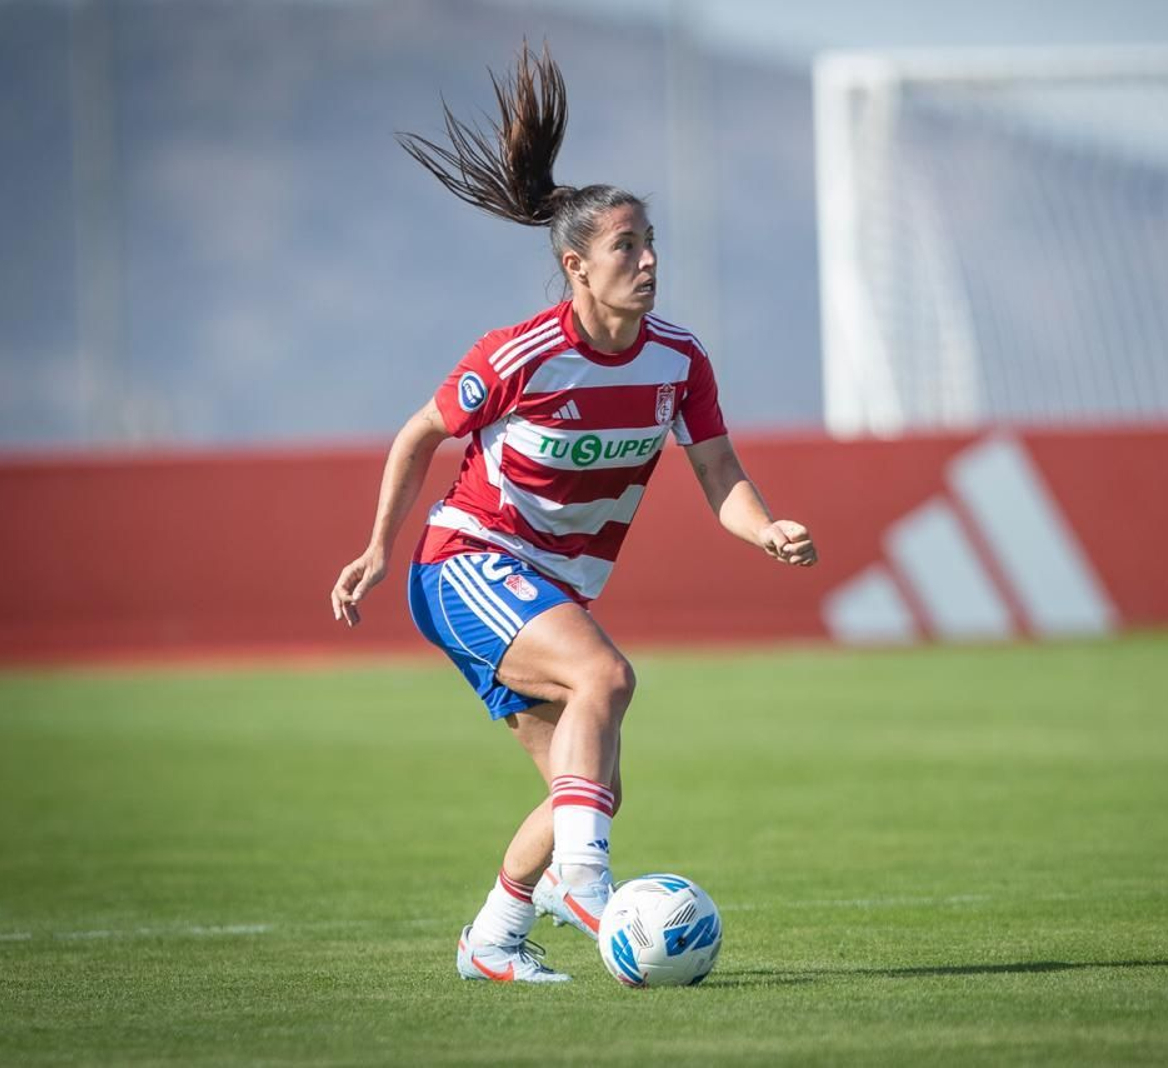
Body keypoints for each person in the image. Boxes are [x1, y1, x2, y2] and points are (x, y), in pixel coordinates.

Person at [328, 42, 817, 984]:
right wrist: (379, 550)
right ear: (576, 268)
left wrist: (767, 528)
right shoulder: (522, 355)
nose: (647, 260)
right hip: (464, 560)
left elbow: (719, 472)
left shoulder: (679, 359)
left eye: (649, 243)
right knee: (606, 676)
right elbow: (417, 435)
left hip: (546, 584)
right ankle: (588, 885)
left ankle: (492, 940)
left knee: (590, 788)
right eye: (625, 248)